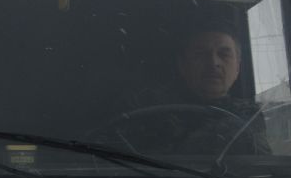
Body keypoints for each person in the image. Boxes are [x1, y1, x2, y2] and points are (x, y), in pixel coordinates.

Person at [107, 26, 270, 157]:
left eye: (224, 54)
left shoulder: (250, 115)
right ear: (182, 65)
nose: (214, 62)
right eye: (201, 54)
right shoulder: (146, 108)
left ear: (238, 68)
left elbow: (264, 169)